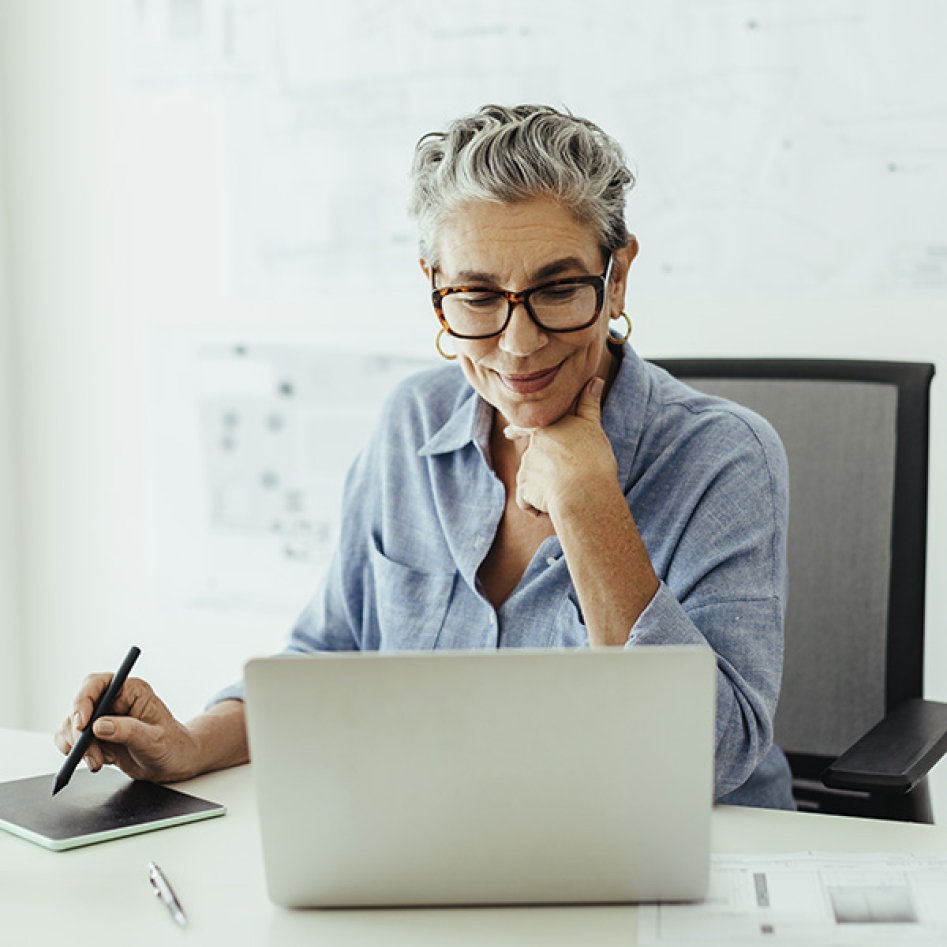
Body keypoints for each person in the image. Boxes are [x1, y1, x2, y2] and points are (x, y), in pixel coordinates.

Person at [56, 104, 794, 808]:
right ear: (434, 289)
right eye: (476, 295)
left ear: (617, 275)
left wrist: (588, 504)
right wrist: (189, 743)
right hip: (445, 839)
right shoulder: (411, 421)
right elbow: (329, 664)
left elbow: (708, 761)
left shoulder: (724, 458)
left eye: (558, 288)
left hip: (687, 866)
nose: (518, 342)